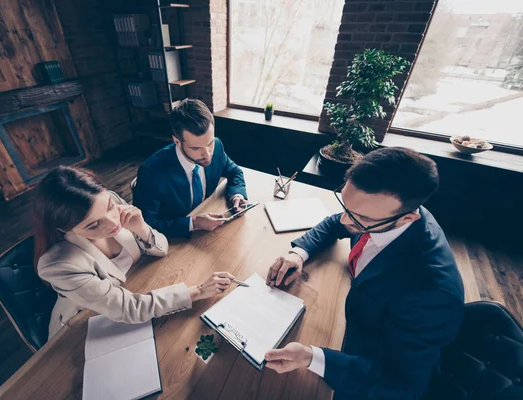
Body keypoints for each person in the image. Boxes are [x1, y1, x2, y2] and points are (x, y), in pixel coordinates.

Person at [264, 148, 464, 399]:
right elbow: (334, 222)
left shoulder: (433, 294)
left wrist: (312, 357)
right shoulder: (380, 213)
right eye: (345, 205)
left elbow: (401, 386)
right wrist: (298, 254)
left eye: (359, 218)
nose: (346, 220)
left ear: (407, 219)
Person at [33, 166, 235, 339]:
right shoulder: (58, 265)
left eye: (110, 208)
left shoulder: (110, 199)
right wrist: (198, 291)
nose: (113, 223)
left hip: (137, 287)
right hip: (86, 323)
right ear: (65, 229)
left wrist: (141, 228)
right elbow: (127, 308)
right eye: (94, 225)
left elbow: (161, 248)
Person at [133, 99, 248, 238]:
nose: (207, 154)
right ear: (177, 142)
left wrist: (237, 195)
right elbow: (146, 225)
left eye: (209, 143)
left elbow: (234, 171)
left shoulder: (217, 146)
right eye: (196, 148)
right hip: (175, 240)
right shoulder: (150, 173)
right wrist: (193, 223)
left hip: (210, 232)